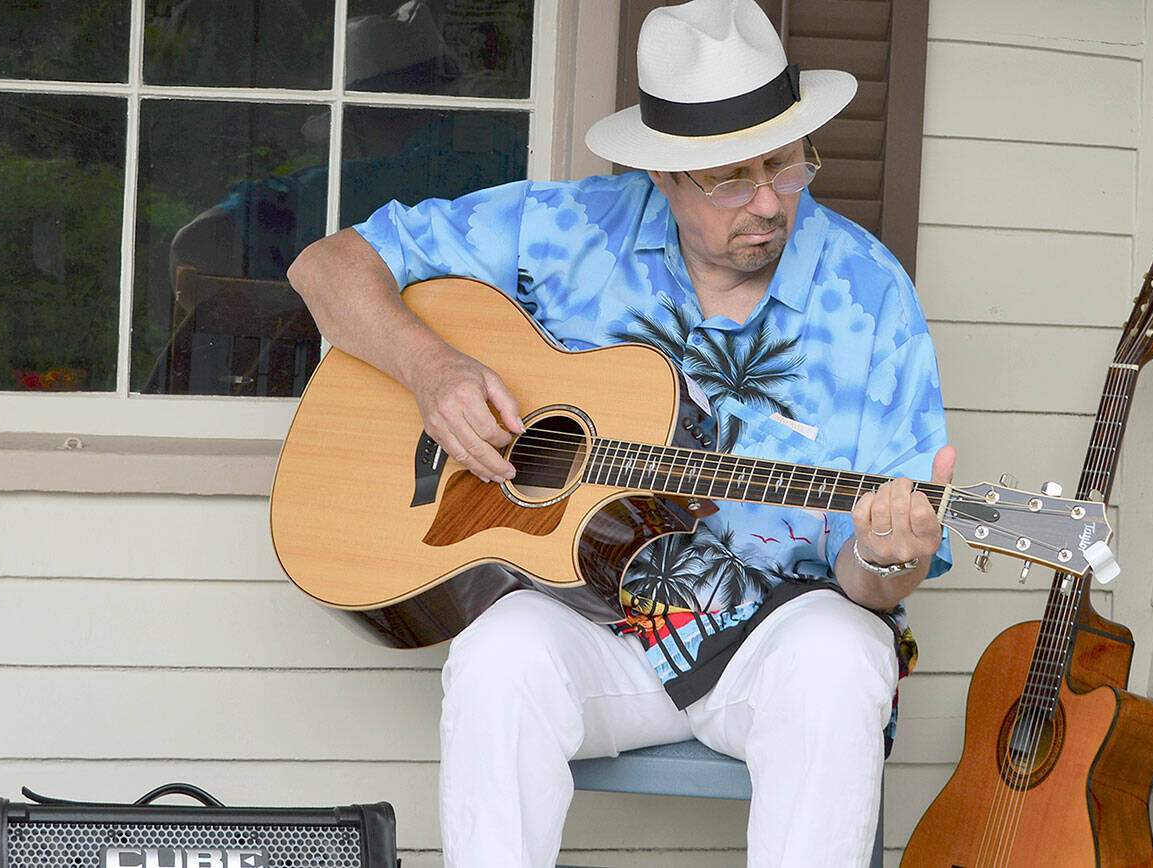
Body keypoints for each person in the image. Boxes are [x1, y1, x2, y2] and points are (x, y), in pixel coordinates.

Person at [287, 0, 956, 864]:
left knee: (844, 659)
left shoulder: (871, 295)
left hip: (772, 637)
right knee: (497, 657)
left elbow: (869, 585)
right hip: (589, 621)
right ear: (666, 176)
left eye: (786, 165)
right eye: (729, 177)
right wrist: (433, 371)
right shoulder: (562, 230)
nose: (768, 202)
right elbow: (326, 266)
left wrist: (884, 557)